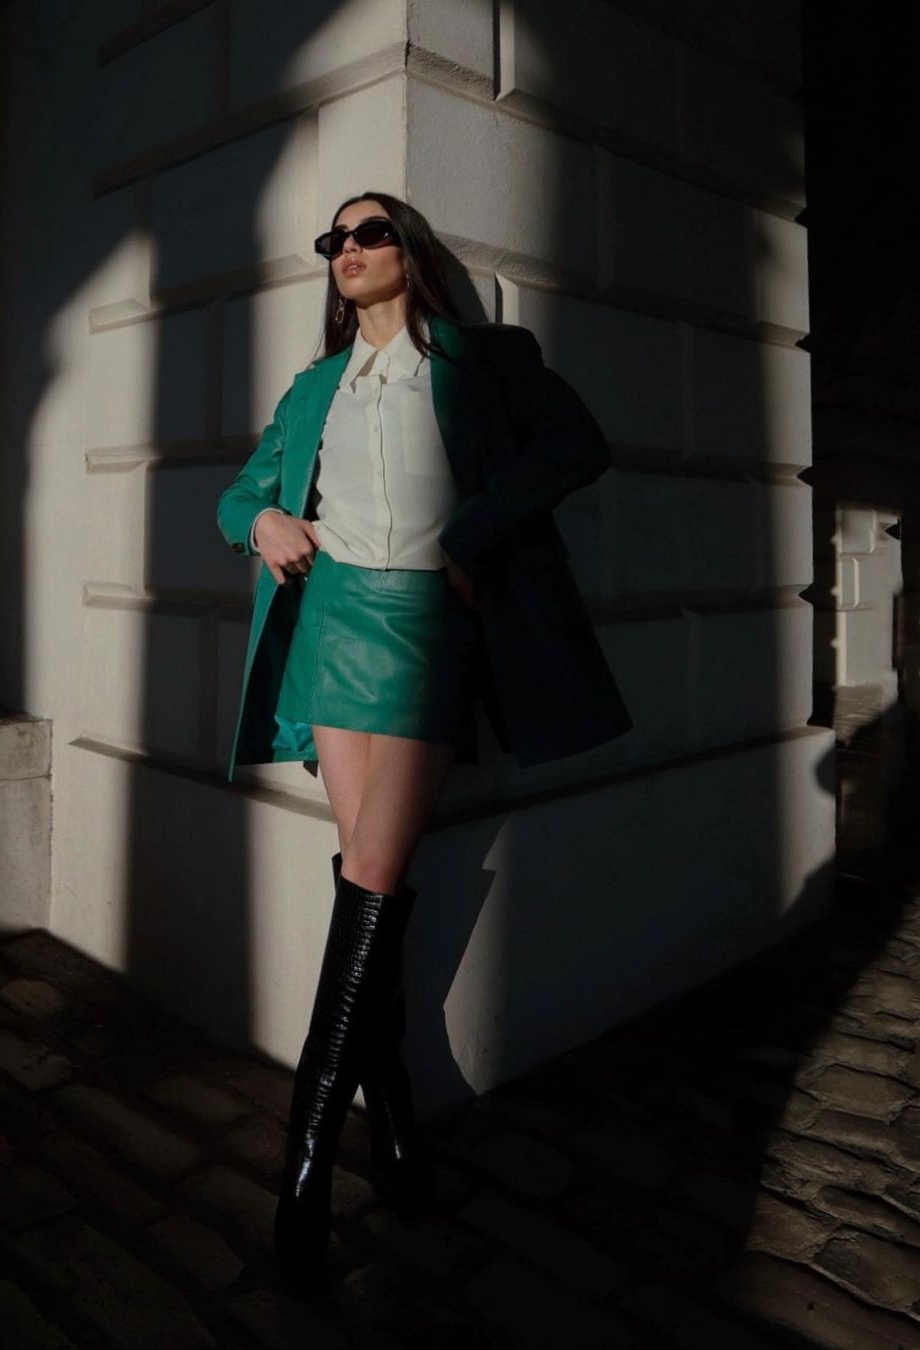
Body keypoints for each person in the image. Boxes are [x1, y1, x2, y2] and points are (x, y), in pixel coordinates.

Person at [216, 191, 631, 1278]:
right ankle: (392, 1118)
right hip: (332, 623)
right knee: (373, 874)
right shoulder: (315, 385)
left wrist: (475, 532)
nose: (349, 250)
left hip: (426, 628)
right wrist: (262, 518)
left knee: (372, 871)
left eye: (371, 232)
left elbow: (577, 445)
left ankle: (304, 1164)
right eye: (335, 240)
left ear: (411, 250)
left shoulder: (486, 360)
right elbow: (239, 494)